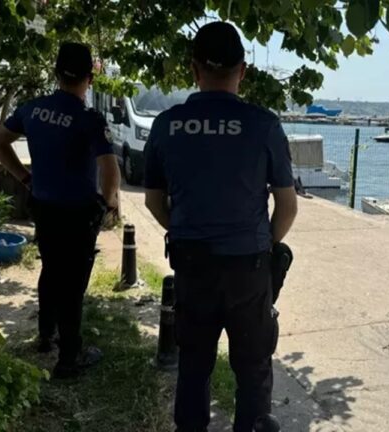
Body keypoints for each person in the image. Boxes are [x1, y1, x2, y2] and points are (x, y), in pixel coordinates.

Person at [143, 21, 298, 432]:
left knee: (194, 364)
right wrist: (266, 244)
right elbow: (287, 206)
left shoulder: (167, 124)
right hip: (248, 266)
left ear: (194, 69)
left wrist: (182, 230)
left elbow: (153, 201)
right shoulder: (263, 125)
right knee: (253, 367)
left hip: (192, 264)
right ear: (242, 71)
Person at [0, 42, 121, 378]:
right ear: (90, 78)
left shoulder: (32, 109)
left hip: (43, 206)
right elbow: (109, 168)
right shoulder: (89, 119)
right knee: (73, 284)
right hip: (78, 213)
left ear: (56, 73)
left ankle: (46, 334)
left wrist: (24, 177)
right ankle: (69, 357)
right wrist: (109, 203)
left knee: (50, 269)